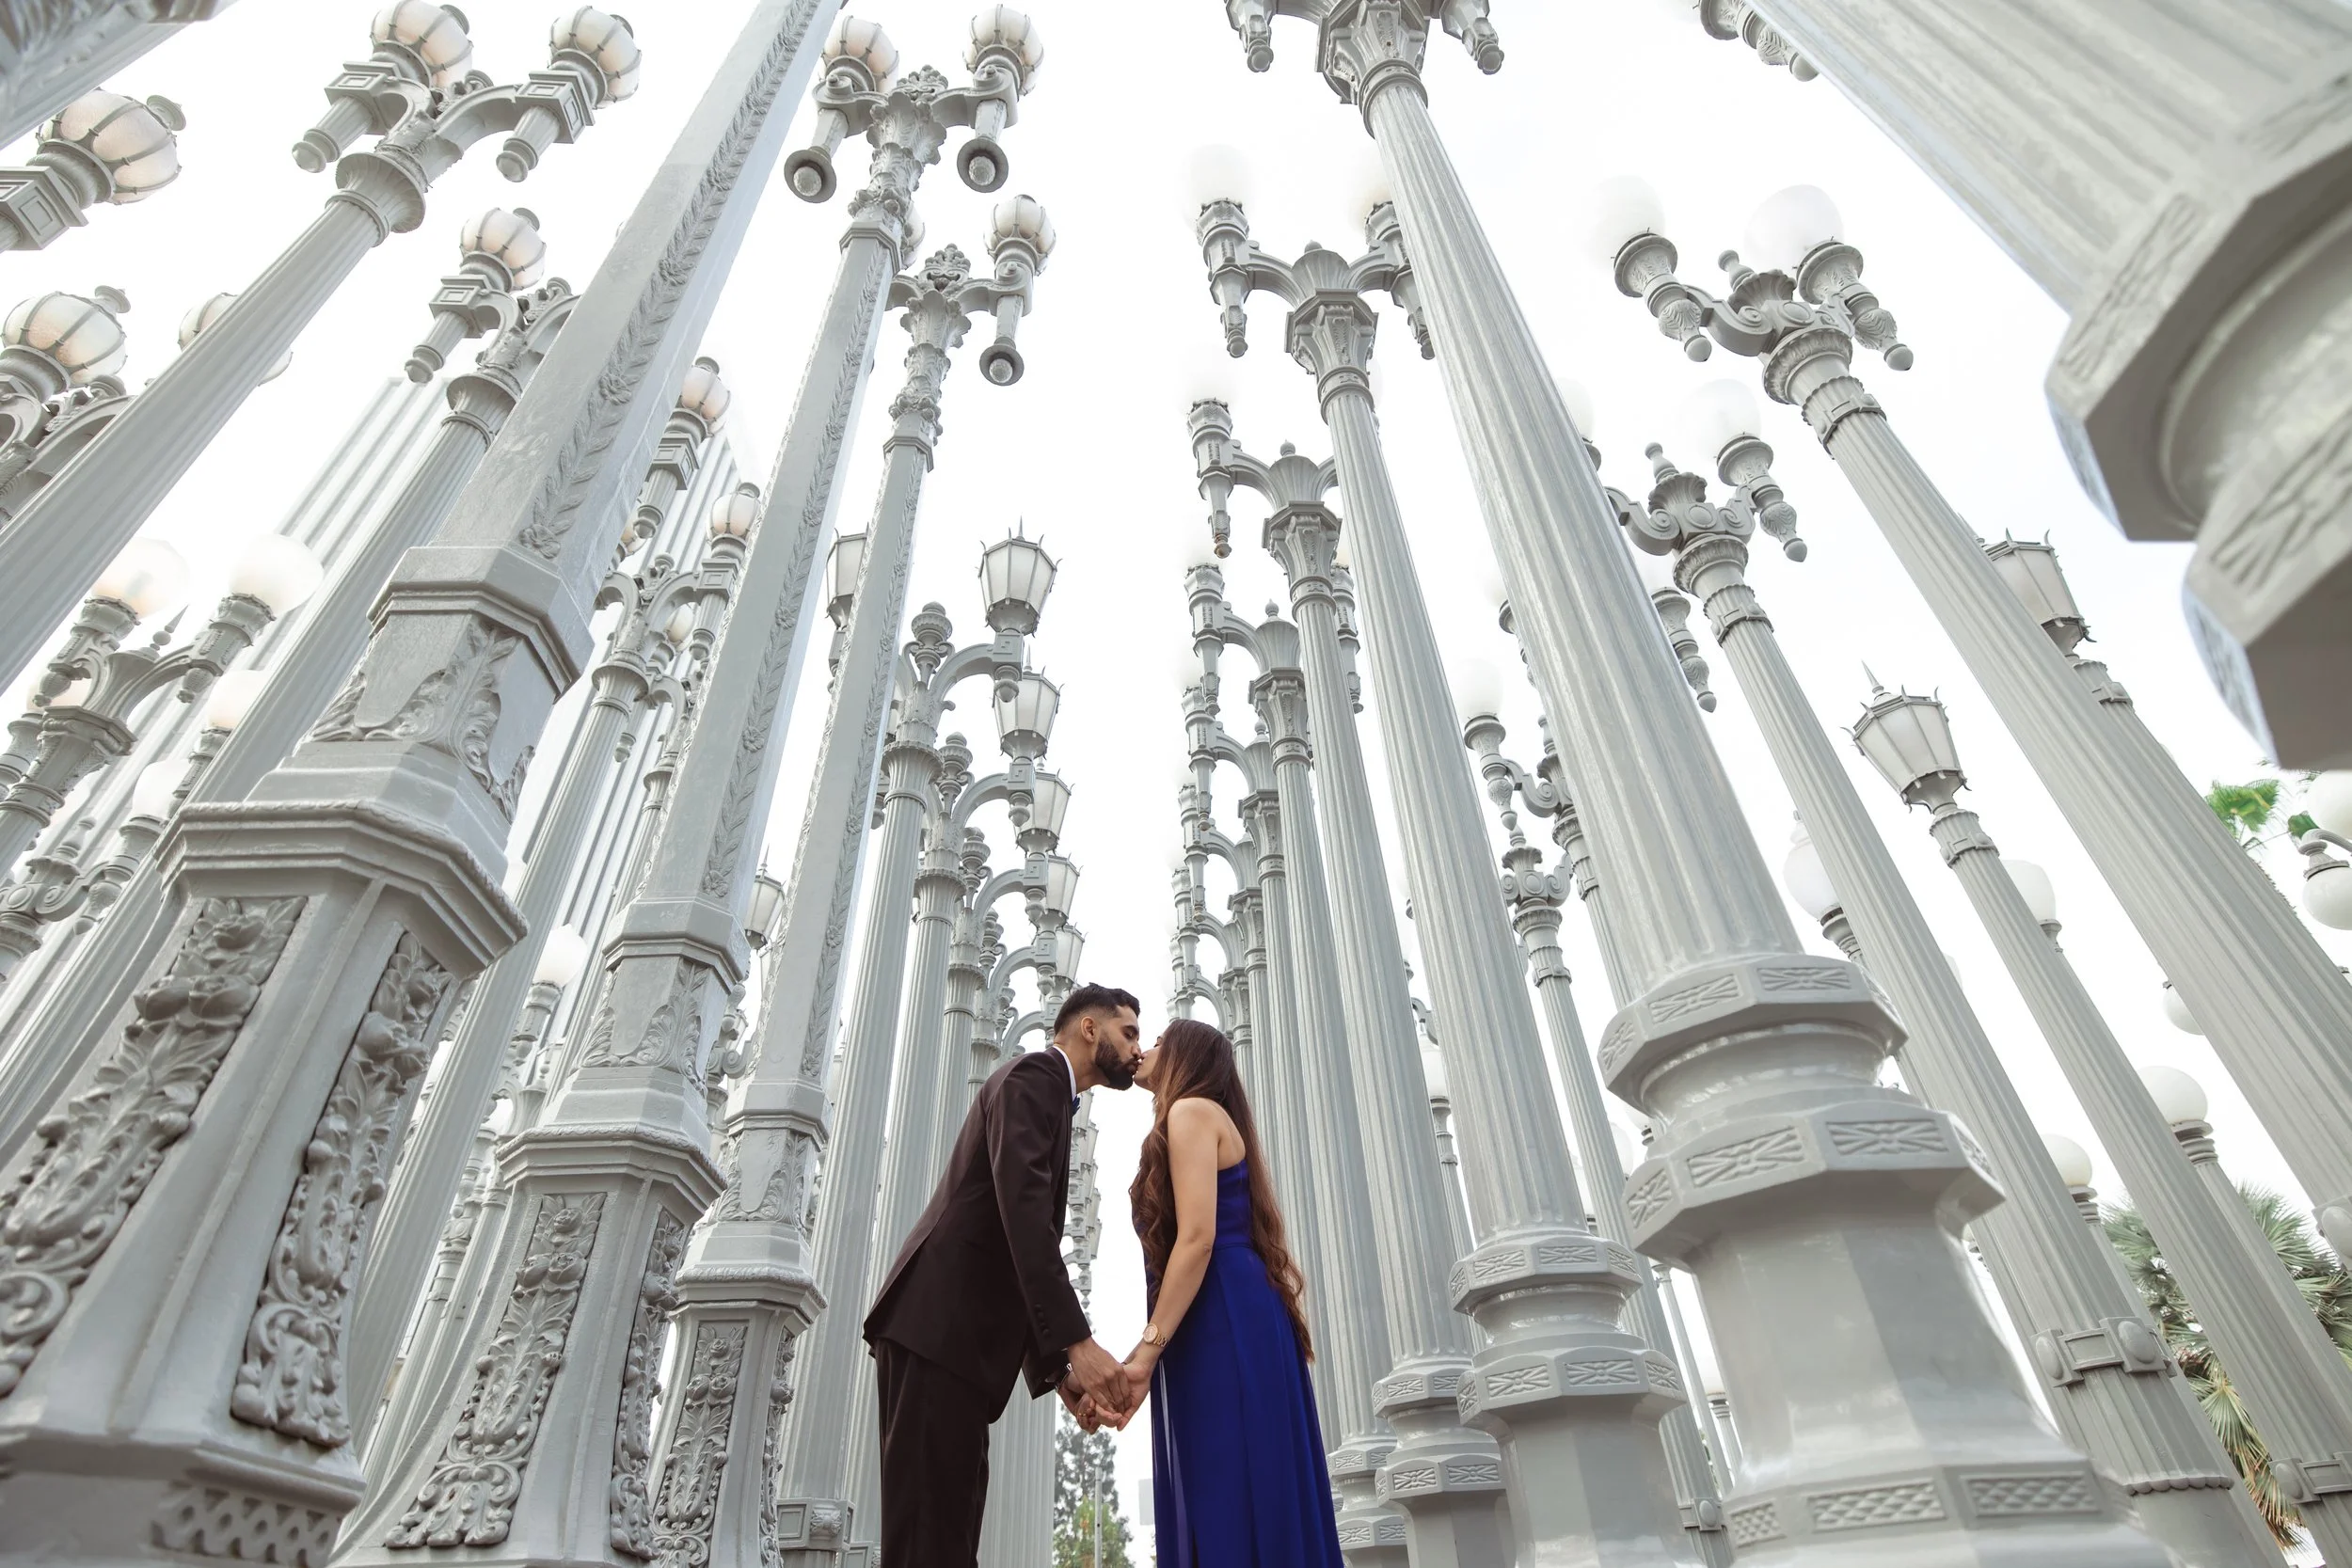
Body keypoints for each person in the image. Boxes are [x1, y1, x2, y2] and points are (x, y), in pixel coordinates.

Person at [864, 981, 1145, 1566]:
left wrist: (1058, 1373)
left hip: (951, 1341)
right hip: (937, 1329)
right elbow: (1023, 1215)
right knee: (928, 1545)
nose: (1137, 1050)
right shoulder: (1033, 1077)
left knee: (947, 1542)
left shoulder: (1050, 1094)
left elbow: (1012, 1241)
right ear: (1089, 1028)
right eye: (1129, 1033)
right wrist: (1078, 1344)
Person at [1120, 1017, 1345, 1566]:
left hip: (1222, 1314)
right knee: (1241, 1479)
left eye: (1158, 1041)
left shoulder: (1190, 1111)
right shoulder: (1198, 1114)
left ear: (1185, 1057)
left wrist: (1147, 1352)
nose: (1145, 1049)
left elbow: (1198, 1239)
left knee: (1227, 1484)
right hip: (1223, 1309)